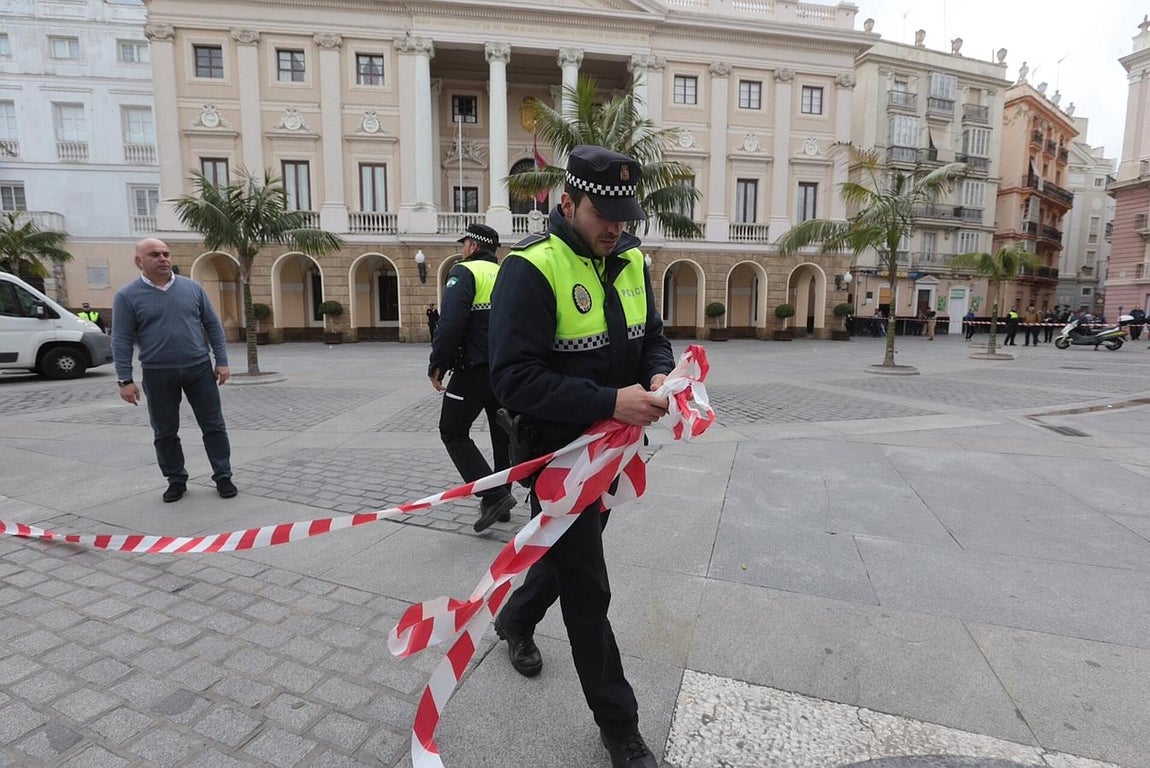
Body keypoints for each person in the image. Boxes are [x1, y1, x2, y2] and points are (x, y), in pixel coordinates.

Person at [487, 145, 674, 768]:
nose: (616, 226)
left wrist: (659, 380)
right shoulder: (530, 269)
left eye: (626, 213)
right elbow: (513, 382)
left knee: (572, 558)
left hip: (614, 451)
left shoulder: (630, 261)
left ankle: (515, 619)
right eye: (604, 213)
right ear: (566, 202)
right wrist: (608, 400)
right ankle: (620, 728)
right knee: (589, 590)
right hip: (556, 457)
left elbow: (653, 339)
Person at [112, 238, 236, 503]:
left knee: (214, 425)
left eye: (166, 254)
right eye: (154, 254)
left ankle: (223, 475)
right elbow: (121, 339)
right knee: (165, 431)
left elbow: (213, 325)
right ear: (139, 261)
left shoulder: (192, 289)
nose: (163, 259)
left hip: (199, 369)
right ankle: (176, 480)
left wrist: (221, 361)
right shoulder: (126, 296)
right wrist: (125, 379)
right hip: (158, 373)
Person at [427, 223, 515, 533]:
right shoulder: (507, 273)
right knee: (502, 436)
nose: (462, 248)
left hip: (473, 370)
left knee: (452, 431)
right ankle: (502, 498)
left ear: (473, 246)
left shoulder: (464, 272)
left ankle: (492, 496)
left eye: (464, 243)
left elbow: (451, 323)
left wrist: (437, 363)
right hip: (506, 370)